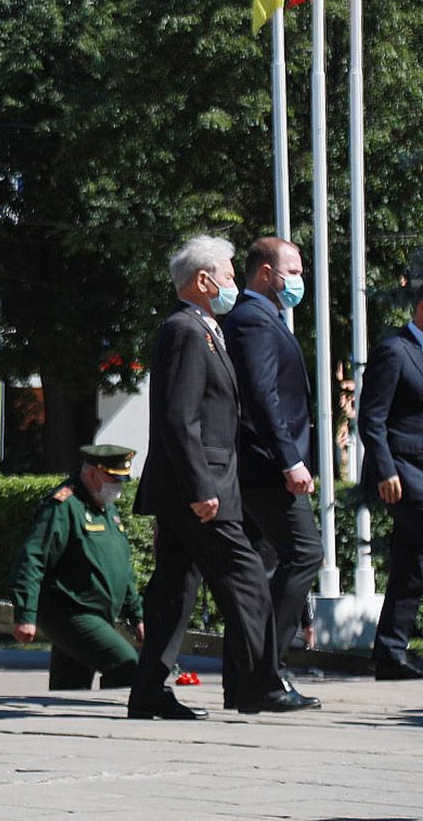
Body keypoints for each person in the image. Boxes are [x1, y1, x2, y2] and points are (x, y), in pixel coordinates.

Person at [129, 234, 316, 720]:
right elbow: (179, 418)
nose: (234, 285)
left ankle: (148, 691)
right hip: (198, 487)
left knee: (175, 589)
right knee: (248, 577)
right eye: (229, 277)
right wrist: (200, 487)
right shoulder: (186, 331)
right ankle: (260, 684)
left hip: (195, 485)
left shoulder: (202, 328)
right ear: (203, 280)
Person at [219, 237, 322, 707]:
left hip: (261, 467)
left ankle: (243, 682)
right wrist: (289, 460)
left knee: (255, 574)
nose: (299, 280)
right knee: (304, 554)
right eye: (293, 271)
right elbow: (262, 397)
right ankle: (265, 674)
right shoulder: (253, 320)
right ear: (266, 272)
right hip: (268, 468)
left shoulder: (262, 317)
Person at [9, 446, 144, 691]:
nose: (119, 486)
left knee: (69, 688)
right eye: (114, 479)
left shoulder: (107, 509)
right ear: (92, 474)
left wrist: (137, 617)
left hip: (97, 614)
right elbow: (33, 559)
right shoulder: (64, 505)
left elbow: (122, 570)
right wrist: (25, 615)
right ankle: (116, 710)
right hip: (70, 612)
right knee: (126, 664)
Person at [362, 249, 423, 680]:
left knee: (411, 562)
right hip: (403, 471)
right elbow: (372, 418)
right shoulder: (395, 351)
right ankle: (390, 652)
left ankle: (390, 653)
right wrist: (385, 469)